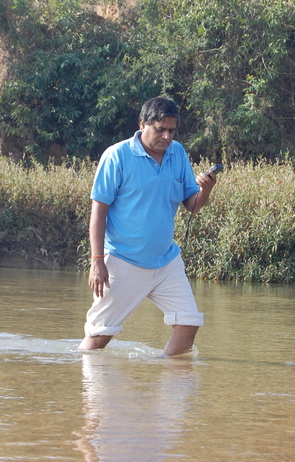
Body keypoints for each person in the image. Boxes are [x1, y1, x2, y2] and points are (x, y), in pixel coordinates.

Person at [77, 97, 219, 356]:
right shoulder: (117, 155)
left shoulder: (178, 153)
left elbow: (193, 205)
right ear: (142, 124)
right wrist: (97, 260)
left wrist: (205, 190)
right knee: (99, 337)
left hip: (166, 261)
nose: (166, 137)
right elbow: (99, 211)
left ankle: (167, 388)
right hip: (122, 259)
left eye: (172, 131)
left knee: (189, 323)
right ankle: (91, 390)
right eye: (160, 129)